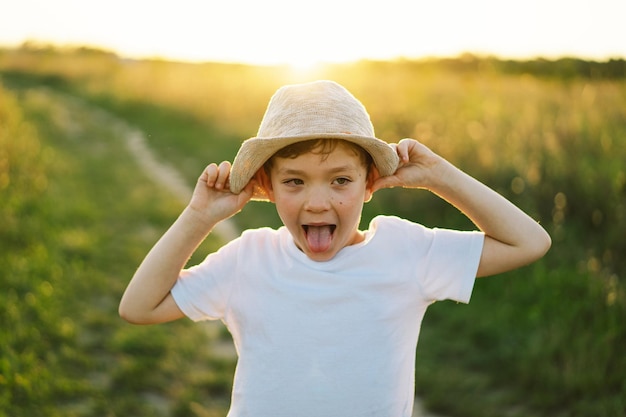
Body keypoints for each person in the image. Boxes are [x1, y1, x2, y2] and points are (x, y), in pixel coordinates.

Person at [119, 80, 551, 417]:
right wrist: (199, 216)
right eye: (295, 181)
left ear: (370, 184)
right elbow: (138, 307)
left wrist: (441, 176)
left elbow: (529, 242)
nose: (318, 201)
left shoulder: (406, 253)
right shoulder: (248, 259)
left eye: (341, 180)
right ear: (266, 186)